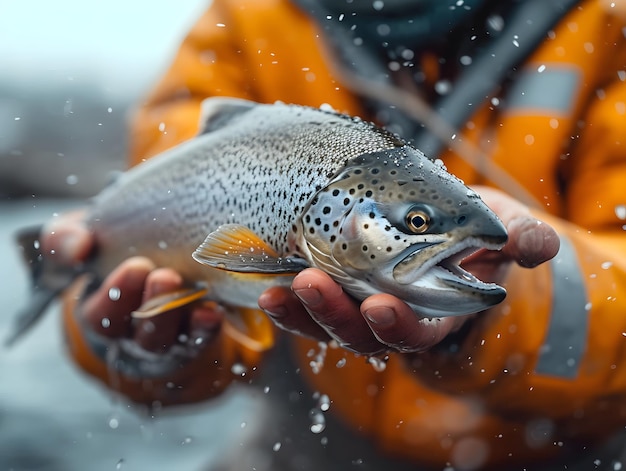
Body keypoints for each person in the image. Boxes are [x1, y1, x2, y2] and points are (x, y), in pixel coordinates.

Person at [37, 0, 626, 469]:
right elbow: (209, 334)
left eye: (418, 226)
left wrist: (494, 315)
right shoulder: (246, 20)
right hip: (301, 452)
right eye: (417, 226)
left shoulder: (606, 25)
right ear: (327, 219)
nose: (423, 234)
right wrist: (143, 345)